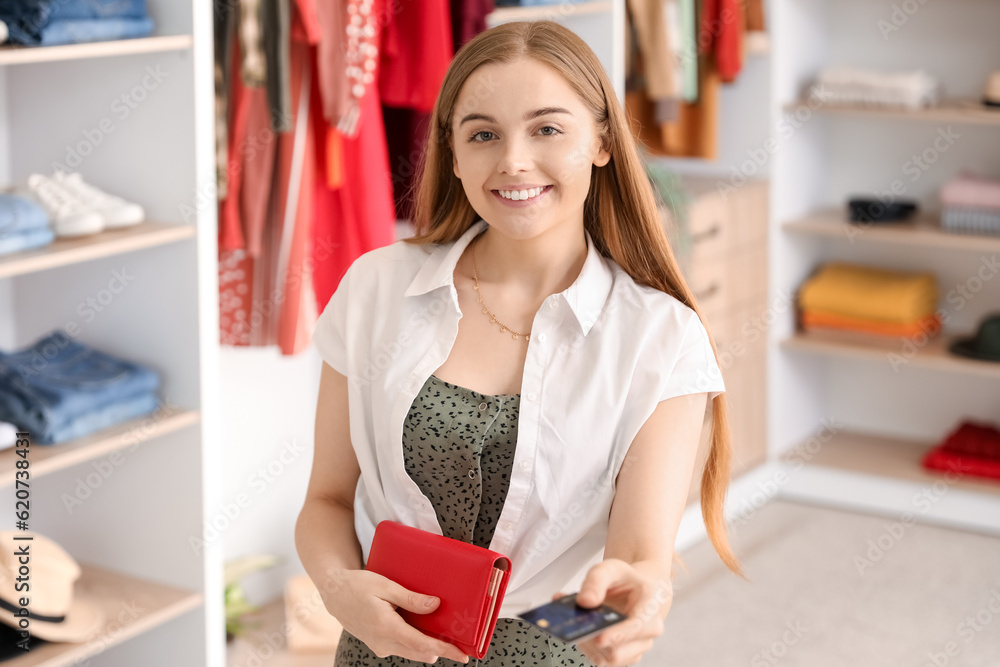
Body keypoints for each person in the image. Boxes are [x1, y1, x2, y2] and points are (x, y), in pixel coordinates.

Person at [295, 19, 745, 667]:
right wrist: (339, 589)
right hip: (383, 647)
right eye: (483, 133)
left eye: (547, 129)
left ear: (602, 142)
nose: (513, 161)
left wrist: (644, 591)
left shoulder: (661, 337)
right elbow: (326, 500)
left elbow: (640, 553)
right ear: (453, 153)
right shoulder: (375, 289)